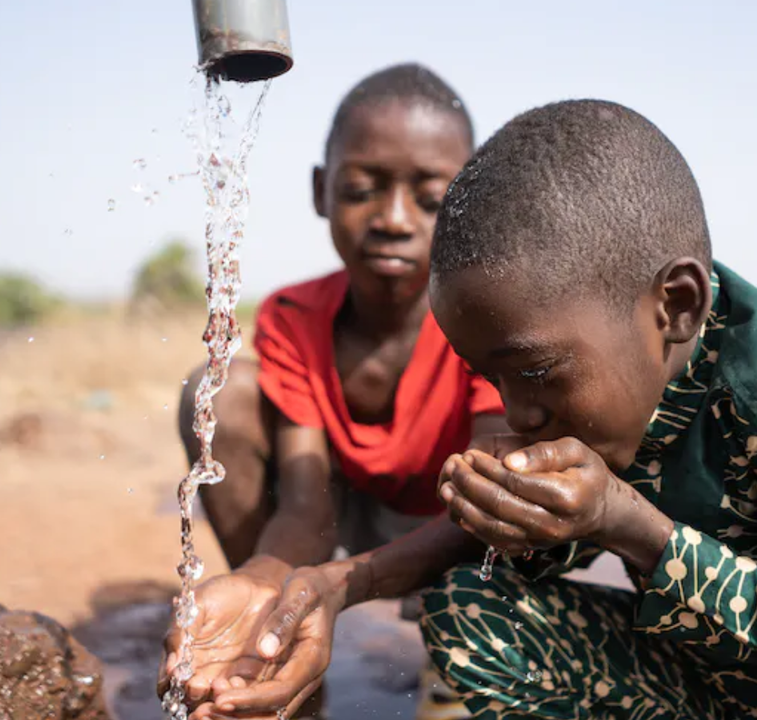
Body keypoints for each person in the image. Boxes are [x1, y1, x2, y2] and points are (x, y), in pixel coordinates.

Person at [164, 99, 757, 720]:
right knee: (474, 614)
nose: (519, 413)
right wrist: (334, 589)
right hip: (729, 681)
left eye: (536, 373)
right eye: (494, 381)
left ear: (676, 304)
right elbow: (495, 557)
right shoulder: (617, 380)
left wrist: (631, 527)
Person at [167, 63, 507, 719]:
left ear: (470, 210)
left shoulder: (490, 321)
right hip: (343, 513)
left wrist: (345, 584)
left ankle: (461, 666)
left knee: (510, 505)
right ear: (322, 190)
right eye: (361, 189)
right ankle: (283, 646)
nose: (394, 220)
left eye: (431, 200)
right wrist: (269, 581)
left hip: (453, 527)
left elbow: (488, 509)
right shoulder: (295, 317)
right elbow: (304, 501)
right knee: (218, 390)